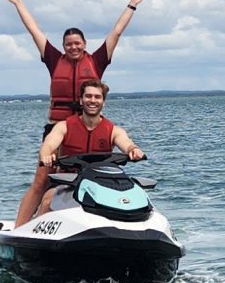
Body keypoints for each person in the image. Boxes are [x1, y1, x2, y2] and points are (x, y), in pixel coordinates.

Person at [5, 0, 146, 228]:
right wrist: (18, 3)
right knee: (42, 181)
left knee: (88, 180)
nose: (73, 47)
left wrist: (132, 4)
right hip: (58, 129)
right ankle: (19, 230)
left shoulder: (98, 60)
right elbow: (34, 30)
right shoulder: (53, 59)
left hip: (86, 127)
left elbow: (116, 32)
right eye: (68, 44)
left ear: (84, 44)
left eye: (77, 43)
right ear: (63, 47)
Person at [30, 80, 146, 214]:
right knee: (48, 200)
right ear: (81, 100)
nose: (92, 100)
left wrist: (133, 150)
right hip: (68, 182)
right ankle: (38, 226)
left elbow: (126, 143)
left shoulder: (114, 131)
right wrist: (46, 155)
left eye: (97, 97)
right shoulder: (64, 126)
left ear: (103, 102)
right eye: (88, 96)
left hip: (101, 184)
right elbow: (48, 144)